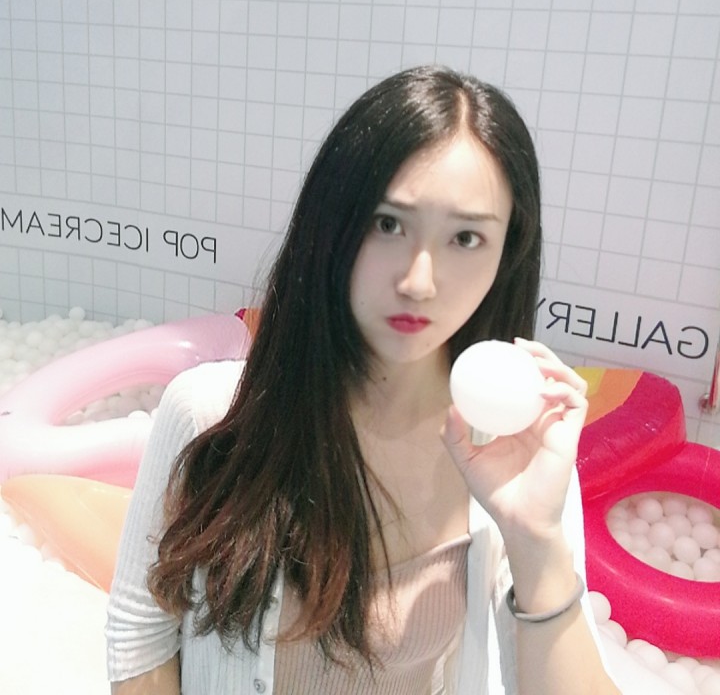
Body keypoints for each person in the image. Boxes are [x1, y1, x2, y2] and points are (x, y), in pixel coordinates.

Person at [106, 65, 621, 694]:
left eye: (465, 237)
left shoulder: (515, 456)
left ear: (506, 253)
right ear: (333, 226)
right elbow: (141, 632)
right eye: (388, 224)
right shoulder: (212, 413)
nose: (418, 281)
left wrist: (535, 539)